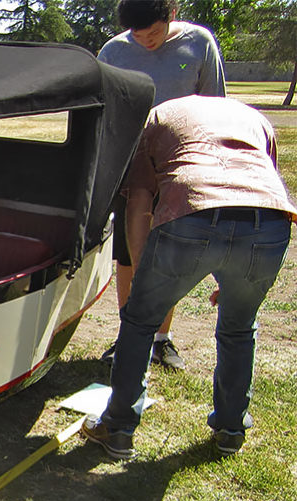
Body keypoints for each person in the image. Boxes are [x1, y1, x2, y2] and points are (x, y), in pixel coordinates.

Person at [82, 95, 295, 459]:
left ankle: (118, 430)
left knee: (139, 321)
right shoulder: (254, 118)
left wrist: (142, 276)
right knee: (240, 327)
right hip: (270, 221)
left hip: (191, 208)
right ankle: (231, 430)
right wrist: (229, 273)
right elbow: (251, 190)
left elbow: (138, 204)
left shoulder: (155, 119)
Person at [98, 0, 226, 370]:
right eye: (139, 35)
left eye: (154, 32)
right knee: (127, 254)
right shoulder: (114, 51)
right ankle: (129, 333)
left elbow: (215, 106)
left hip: (178, 167)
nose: (147, 41)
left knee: (168, 253)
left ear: (169, 17)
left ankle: (160, 339)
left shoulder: (199, 43)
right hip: (129, 168)